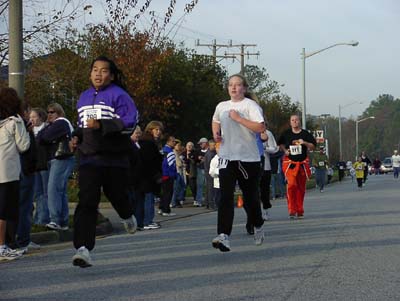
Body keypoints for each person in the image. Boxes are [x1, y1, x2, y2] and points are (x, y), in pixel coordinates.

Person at [70, 56, 139, 268]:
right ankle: (83, 249)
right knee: (87, 201)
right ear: (90, 73)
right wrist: (76, 137)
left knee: (117, 195)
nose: (99, 74)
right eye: (95, 70)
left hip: (113, 158)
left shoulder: (119, 95)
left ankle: (127, 215)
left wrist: (102, 124)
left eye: (104, 71)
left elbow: (130, 123)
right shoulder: (83, 97)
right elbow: (83, 126)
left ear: (111, 75)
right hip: (89, 158)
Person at [211, 74, 265, 252]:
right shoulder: (222, 106)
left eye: (238, 85)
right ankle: (224, 235)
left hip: (248, 158)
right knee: (225, 197)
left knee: (250, 198)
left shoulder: (250, 106)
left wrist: (239, 119)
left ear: (244, 88)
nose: (234, 88)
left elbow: (260, 127)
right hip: (227, 157)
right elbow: (215, 120)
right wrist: (216, 133)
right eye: (231, 85)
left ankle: (258, 224)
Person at [0, 88, 30, 261]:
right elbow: (23, 145)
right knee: (4, 212)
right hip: (8, 173)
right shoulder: (15, 122)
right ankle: (2, 246)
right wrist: (26, 130)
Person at [37, 103, 74, 231]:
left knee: (53, 189)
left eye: (52, 112)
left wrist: (45, 130)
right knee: (60, 191)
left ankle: (55, 219)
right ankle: (63, 221)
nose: (49, 115)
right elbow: (41, 137)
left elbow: (43, 137)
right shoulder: (56, 125)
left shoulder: (61, 122)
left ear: (59, 112)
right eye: (47, 112)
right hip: (61, 159)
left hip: (61, 158)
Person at [278, 114, 316, 219]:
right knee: (291, 185)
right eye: (293, 120)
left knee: (301, 188)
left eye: (296, 120)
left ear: (299, 122)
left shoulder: (305, 134)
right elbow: (280, 144)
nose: (295, 122)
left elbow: (313, 146)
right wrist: (285, 150)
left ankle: (299, 209)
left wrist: (305, 143)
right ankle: (292, 209)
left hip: (302, 164)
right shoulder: (286, 134)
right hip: (290, 163)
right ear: (290, 122)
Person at [137, 121, 163, 230]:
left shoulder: (145, 141)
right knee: (148, 198)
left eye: (160, 130)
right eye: (156, 129)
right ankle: (147, 221)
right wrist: (156, 175)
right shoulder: (148, 143)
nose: (159, 132)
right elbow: (150, 161)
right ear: (150, 130)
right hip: (147, 176)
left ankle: (145, 220)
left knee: (145, 199)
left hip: (143, 175)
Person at [30, 107, 50, 226]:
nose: (31, 119)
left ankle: (43, 218)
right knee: (38, 194)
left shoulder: (47, 129)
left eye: (34, 116)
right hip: (35, 166)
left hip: (45, 164)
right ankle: (39, 218)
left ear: (40, 117)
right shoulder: (30, 130)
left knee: (45, 193)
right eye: (30, 117)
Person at [159, 136, 177, 216]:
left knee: (163, 192)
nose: (174, 143)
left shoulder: (162, 150)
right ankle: (166, 210)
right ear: (168, 142)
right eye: (173, 141)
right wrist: (174, 175)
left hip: (162, 174)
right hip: (168, 175)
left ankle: (161, 208)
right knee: (168, 193)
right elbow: (171, 165)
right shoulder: (170, 152)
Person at [171, 140, 186, 208]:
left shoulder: (178, 153)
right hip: (177, 172)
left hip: (178, 172)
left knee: (181, 186)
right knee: (177, 188)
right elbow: (179, 164)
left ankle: (177, 200)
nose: (179, 147)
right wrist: (182, 163)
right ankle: (174, 202)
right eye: (178, 145)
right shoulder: (174, 153)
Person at [194, 137, 208, 207]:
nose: (200, 145)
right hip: (200, 169)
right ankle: (198, 201)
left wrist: (204, 159)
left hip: (208, 170)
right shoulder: (198, 151)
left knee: (208, 186)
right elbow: (194, 159)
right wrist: (198, 159)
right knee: (199, 185)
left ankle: (207, 201)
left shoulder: (210, 151)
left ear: (205, 143)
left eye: (201, 144)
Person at [204, 140, 217, 210]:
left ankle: (207, 203)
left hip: (208, 173)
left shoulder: (210, 153)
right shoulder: (210, 154)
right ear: (209, 146)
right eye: (213, 145)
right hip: (210, 173)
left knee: (208, 189)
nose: (214, 147)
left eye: (215, 145)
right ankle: (211, 204)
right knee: (211, 189)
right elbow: (210, 165)